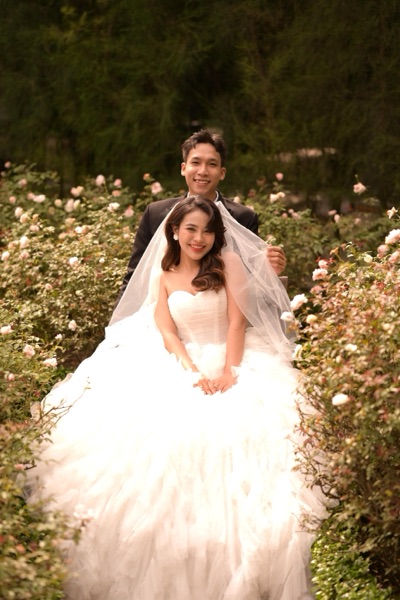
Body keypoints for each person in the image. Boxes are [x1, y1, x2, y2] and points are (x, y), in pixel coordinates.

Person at [27, 196, 325, 600]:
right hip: (184, 361)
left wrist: (229, 371)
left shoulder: (228, 263)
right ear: (174, 231)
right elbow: (167, 331)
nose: (199, 238)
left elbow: (237, 322)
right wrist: (190, 369)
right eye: (191, 229)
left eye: (207, 230)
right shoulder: (164, 273)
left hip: (234, 355)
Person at [116, 129, 286, 305]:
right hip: (162, 311)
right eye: (196, 162)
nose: (202, 171)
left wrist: (268, 271)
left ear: (222, 172)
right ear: (183, 168)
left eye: (212, 164)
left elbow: (249, 282)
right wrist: (119, 319)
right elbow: (134, 276)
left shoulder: (243, 218)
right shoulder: (156, 213)